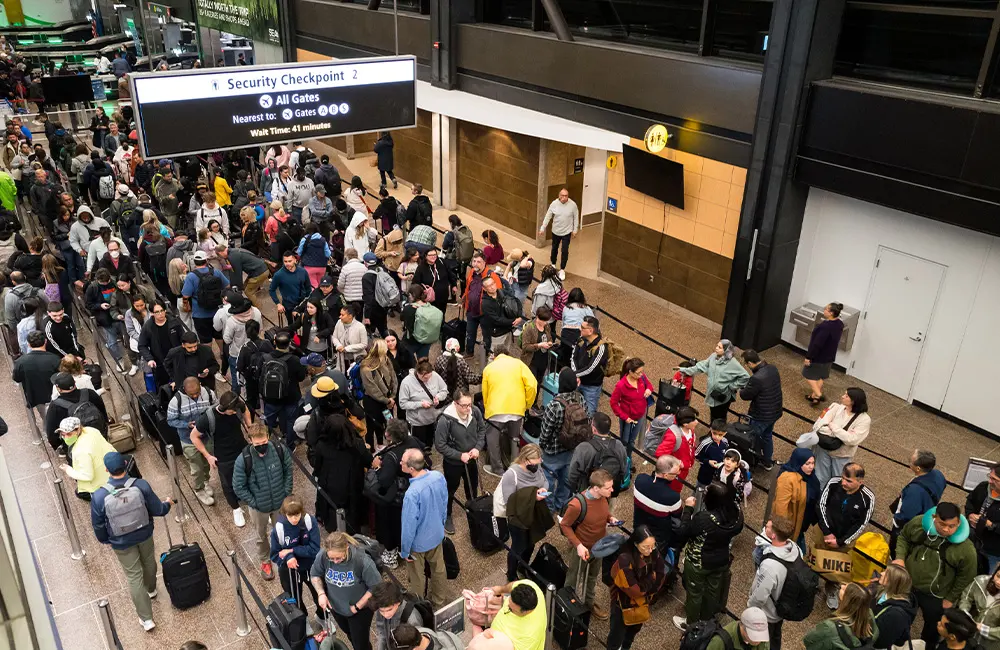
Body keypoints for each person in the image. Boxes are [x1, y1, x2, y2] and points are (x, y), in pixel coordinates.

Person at [91, 451, 172, 632]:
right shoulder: (141, 485)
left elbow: (98, 527)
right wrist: (167, 504)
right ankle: (151, 590)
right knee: (149, 561)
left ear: (106, 470)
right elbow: (159, 509)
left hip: (121, 542)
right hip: (144, 533)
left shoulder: (99, 496)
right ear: (126, 464)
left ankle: (147, 619)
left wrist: (108, 540)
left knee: (134, 576)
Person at [895, 502, 979, 646]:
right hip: (908, 585)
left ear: (959, 522)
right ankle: (899, 643)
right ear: (934, 518)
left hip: (936, 596)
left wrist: (951, 598)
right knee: (900, 617)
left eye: (952, 526)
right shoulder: (918, 524)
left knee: (933, 628)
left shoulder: (966, 549)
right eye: (942, 524)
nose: (946, 529)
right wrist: (900, 558)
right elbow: (904, 537)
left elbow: (966, 576)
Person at [672, 482, 743, 631]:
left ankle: (691, 625)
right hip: (721, 559)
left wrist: (688, 510)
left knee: (695, 594)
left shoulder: (704, 519)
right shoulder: (737, 514)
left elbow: (684, 531)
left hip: (699, 562)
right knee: (712, 592)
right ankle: (706, 622)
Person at [233, 423, 294, 580]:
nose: (261, 447)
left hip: (280, 503)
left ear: (268, 437)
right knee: (261, 536)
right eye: (257, 444)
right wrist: (254, 502)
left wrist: (286, 492)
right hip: (259, 507)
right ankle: (265, 562)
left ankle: (285, 555)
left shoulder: (279, 450)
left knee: (283, 532)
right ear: (250, 440)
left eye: (264, 443)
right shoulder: (244, 459)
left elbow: (288, 471)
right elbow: (238, 486)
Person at [817, 462, 876, 608]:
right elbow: (820, 505)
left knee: (836, 568)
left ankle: (831, 589)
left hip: (844, 540)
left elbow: (861, 525)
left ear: (860, 481)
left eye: (848, 481)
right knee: (816, 557)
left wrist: (841, 542)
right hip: (824, 533)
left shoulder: (868, 498)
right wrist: (827, 532)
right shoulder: (833, 483)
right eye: (843, 478)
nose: (843, 482)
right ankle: (812, 582)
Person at [560, 469, 617, 619]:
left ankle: (589, 603)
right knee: (573, 577)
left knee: (592, 576)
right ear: (596, 488)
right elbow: (565, 525)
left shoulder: (604, 497)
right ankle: (566, 606)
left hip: (599, 546)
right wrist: (578, 545)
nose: (612, 490)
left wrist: (610, 518)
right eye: (608, 487)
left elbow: (603, 513)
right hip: (582, 548)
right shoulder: (577, 505)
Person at [310, 532, 381, 650]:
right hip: (336, 608)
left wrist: (357, 607)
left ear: (347, 548)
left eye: (338, 558)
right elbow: (315, 574)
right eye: (331, 558)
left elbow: (375, 586)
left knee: (360, 643)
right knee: (350, 635)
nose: (335, 561)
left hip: (359, 612)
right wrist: (321, 593)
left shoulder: (362, 561)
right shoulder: (323, 556)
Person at [190, 391, 251, 526]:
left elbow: (245, 410)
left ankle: (252, 502)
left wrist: (249, 425)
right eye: (232, 411)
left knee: (250, 475)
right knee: (228, 483)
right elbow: (193, 436)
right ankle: (236, 509)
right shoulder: (207, 418)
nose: (235, 413)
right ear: (224, 408)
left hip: (242, 447)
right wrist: (208, 456)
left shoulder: (237, 406)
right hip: (223, 455)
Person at [399, 449, 449, 608]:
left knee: (417, 577)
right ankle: (439, 601)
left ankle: (419, 607)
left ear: (411, 469)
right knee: (438, 569)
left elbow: (408, 527)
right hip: (437, 534)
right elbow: (444, 503)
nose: (400, 463)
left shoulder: (412, 493)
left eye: (402, 462)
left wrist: (405, 551)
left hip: (418, 544)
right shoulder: (438, 477)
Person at [371, 418, 424, 566]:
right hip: (413, 490)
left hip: (395, 499)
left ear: (389, 435)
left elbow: (384, 481)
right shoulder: (413, 441)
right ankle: (406, 547)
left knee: (391, 526)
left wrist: (377, 467)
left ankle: (391, 556)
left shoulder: (391, 456)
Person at [312, 407, 372, 535]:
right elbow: (368, 461)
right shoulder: (356, 444)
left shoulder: (322, 445)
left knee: (331, 511)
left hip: (329, 485)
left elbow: (318, 466)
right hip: (352, 484)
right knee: (353, 512)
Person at [435, 388, 487, 535]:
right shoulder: (445, 420)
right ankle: (447, 515)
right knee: (450, 489)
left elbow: (482, 430)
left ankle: (474, 512)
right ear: (455, 403)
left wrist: (477, 448)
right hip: (453, 463)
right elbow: (440, 445)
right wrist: (459, 455)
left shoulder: (475, 412)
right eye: (464, 405)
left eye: (469, 404)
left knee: (473, 487)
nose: (468, 408)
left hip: (472, 460)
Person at [607, 525, 668, 650]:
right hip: (623, 606)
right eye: (646, 547)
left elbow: (661, 576)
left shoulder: (653, 553)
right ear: (636, 544)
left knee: (631, 635)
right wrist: (652, 579)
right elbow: (634, 591)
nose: (650, 550)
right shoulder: (625, 559)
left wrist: (647, 587)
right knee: (616, 636)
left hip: (641, 605)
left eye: (653, 546)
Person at [496, 444, 550, 581]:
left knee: (531, 543)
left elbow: (544, 481)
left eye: (539, 462)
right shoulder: (511, 474)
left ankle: (523, 566)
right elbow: (510, 500)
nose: (538, 466)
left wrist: (543, 489)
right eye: (535, 463)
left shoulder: (536, 468)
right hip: (518, 518)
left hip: (532, 514)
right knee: (518, 547)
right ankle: (512, 573)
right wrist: (533, 496)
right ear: (525, 460)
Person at [481, 345, 538, 474]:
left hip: (495, 410)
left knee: (492, 439)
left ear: (494, 356)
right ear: (508, 354)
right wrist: (527, 404)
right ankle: (514, 468)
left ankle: (497, 469)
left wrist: (487, 408)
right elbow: (532, 384)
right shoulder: (519, 364)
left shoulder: (488, 368)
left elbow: (485, 392)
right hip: (517, 409)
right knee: (515, 438)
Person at [747, 516, 802, 649]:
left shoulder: (770, 565)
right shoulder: (796, 549)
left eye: (768, 527)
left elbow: (760, 595)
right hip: (782, 606)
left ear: (773, 535)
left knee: (763, 641)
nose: (766, 526)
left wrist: (750, 608)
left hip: (768, 613)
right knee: (776, 635)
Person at [166, 376, 218, 505]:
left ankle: (205, 481)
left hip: (206, 437)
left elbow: (215, 408)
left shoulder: (209, 393)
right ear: (184, 389)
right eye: (191, 394)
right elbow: (171, 420)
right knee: (196, 467)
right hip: (188, 440)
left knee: (207, 462)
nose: (195, 396)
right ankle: (199, 489)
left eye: (197, 393)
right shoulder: (175, 401)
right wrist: (186, 424)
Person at [268, 495, 323, 617]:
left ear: (301, 512)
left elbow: (314, 549)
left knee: (319, 592)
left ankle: (322, 617)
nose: (294, 519)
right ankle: (303, 620)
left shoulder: (309, 521)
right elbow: (276, 554)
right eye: (290, 515)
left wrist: (290, 550)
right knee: (294, 598)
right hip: (289, 570)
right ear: (284, 514)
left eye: (297, 515)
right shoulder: (280, 528)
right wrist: (289, 557)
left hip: (311, 565)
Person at [810, 387, 872, 489]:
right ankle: (819, 499)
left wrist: (833, 427)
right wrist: (842, 434)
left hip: (842, 455)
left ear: (853, 401)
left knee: (838, 481)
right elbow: (819, 426)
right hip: (824, 449)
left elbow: (852, 440)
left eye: (846, 395)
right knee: (820, 478)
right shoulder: (836, 407)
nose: (842, 396)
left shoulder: (864, 420)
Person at [676, 339, 750, 423]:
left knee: (720, 417)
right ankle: (713, 431)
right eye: (717, 346)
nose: (716, 348)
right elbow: (700, 366)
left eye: (719, 347)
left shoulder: (733, 363)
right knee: (713, 414)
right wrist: (685, 370)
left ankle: (718, 432)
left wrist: (732, 386)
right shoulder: (713, 356)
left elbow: (745, 376)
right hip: (713, 393)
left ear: (726, 350)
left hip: (723, 396)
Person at [892, 449, 947, 558]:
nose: (909, 462)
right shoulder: (938, 474)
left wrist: (896, 521)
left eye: (911, 461)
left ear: (918, 468)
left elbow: (906, 516)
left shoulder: (915, 491)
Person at [260, 330, 308, 448]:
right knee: (291, 421)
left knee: (268, 421)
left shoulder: (265, 358)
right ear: (289, 344)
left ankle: (262, 441)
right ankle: (290, 445)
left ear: (274, 342)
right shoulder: (294, 360)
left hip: (271, 397)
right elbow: (301, 377)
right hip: (290, 397)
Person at [739, 349, 783, 470]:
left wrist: (742, 389)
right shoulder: (773, 368)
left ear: (750, 363)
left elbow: (745, 395)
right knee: (767, 436)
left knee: (754, 438)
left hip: (761, 415)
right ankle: (767, 461)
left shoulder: (756, 378)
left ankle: (753, 460)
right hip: (774, 412)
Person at [767, 447, 819, 547]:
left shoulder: (810, 476)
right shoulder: (787, 478)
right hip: (791, 526)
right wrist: (782, 532)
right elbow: (780, 507)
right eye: (807, 464)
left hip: (800, 523)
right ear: (798, 463)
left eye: (812, 463)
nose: (811, 467)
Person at [568, 412, 628, 497]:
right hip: (610, 490)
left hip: (589, 493)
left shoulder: (584, 448)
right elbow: (624, 468)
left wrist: (575, 489)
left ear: (594, 429)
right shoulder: (618, 445)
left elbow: (572, 475)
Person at [45, 371, 109, 450]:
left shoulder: (55, 406)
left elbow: (51, 434)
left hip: (76, 448)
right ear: (74, 382)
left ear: (58, 389)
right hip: (99, 438)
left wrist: (62, 446)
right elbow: (103, 414)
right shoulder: (90, 393)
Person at [803, 582, 877, 650]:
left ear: (846, 600)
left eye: (844, 589)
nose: (841, 586)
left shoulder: (830, 627)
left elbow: (809, 642)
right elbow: (875, 635)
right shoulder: (869, 614)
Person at [57, 416, 117, 500]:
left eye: (69, 434)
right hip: (113, 472)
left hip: (100, 486)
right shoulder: (90, 430)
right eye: (63, 435)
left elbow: (87, 476)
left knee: (80, 493)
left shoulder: (80, 451)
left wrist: (68, 470)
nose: (66, 437)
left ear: (77, 430)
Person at [633, 454, 683, 551]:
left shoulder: (639, 479)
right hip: (658, 536)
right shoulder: (673, 497)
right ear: (666, 475)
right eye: (676, 474)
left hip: (638, 529)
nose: (678, 474)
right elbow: (677, 515)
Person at [398, 359, 449, 450]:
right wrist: (420, 404)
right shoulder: (406, 382)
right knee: (417, 447)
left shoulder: (435, 375)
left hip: (432, 419)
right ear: (418, 373)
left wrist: (438, 397)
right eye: (425, 378)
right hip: (417, 422)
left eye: (430, 377)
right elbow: (402, 404)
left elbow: (444, 390)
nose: (428, 380)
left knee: (429, 444)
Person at [482, 580, 547, 650]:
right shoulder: (531, 587)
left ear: (525, 612)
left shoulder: (530, 637)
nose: (507, 605)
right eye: (509, 600)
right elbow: (513, 585)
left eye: (511, 609)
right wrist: (500, 589)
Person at [181, 251, 230, 344]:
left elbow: (186, 295)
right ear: (206, 261)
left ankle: (209, 357)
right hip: (217, 311)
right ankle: (223, 355)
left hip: (200, 314)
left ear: (194, 262)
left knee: (205, 340)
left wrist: (185, 306)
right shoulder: (216, 272)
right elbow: (227, 286)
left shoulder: (191, 276)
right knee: (219, 336)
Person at [12, 330, 61, 421]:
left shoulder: (21, 362)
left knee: (47, 421)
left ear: (29, 344)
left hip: (37, 398)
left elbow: (16, 378)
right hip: (57, 395)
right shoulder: (55, 359)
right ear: (45, 341)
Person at [611, 357, 654, 457]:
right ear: (630, 372)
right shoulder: (621, 385)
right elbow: (613, 403)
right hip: (628, 418)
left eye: (642, 372)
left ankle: (628, 460)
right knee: (625, 442)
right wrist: (624, 417)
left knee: (632, 441)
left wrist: (649, 389)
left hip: (640, 415)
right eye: (638, 373)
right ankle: (623, 460)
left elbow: (649, 385)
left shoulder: (642, 378)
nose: (641, 374)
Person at [804, 302, 845, 404]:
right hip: (830, 356)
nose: (824, 310)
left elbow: (817, 344)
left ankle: (818, 394)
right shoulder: (840, 324)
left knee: (807, 374)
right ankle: (814, 397)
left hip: (819, 357)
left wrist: (809, 357)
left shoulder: (825, 327)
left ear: (831, 313)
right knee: (821, 376)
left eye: (826, 309)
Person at [137, 299, 185, 389]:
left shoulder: (174, 322)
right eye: (157, 312)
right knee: (164, 388)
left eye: (162, 311)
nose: (160, 314)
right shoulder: (148, 327)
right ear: (152, 313)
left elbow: (183, 338)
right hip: (160, 364)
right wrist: (149, 359)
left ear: (165, 310)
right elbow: (142, 345)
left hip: (177, 361)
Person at [462, 252, 502, 356]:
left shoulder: (492, 276)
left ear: (484, 263)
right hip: (471, 310)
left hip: (485, 314)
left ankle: (486, 354)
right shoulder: (471, 272)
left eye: (478, 262)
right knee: (470, 333)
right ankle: (469, 352)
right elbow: (468, 287)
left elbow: (499, 295)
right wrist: (464, 298)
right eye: (474, 261)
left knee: (486, 336)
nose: (475, 264)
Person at [871, 564, 917, 650]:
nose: (881, 573)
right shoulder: (883, 592)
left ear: (894, 582)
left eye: (887, 574)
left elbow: (881, 643)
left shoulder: (896, 615)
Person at [371, 583, 427, 650]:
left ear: (398, 602)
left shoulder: (412, 619)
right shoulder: (381, 606)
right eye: (382, 611)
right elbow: (382, 632)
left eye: (389, 610)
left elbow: (415, 646)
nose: (386, 615)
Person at [966, 463, 1000, 573]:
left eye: (995, 479)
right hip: (970, 538)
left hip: (991, 551)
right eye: (990, 477)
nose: (990, 481)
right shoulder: (983, 487)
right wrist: (970, 514)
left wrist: (992, 525)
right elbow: (970, 501)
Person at [571, 315, 608, 415]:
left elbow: (591, 368)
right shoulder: (581, 339)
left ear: (591, 331)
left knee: (590, 413)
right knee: (570, 408)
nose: (580, 329)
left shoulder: (601, 348)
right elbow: (573, 357)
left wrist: (575, 375)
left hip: (592, 387)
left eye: (583, 327)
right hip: (577, 381)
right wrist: (576, 375)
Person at [653, 405, 699, 485]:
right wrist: (678, 463)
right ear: (685, 424)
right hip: (674, 473)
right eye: (694, 420)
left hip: (683, 469)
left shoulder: (690, 429)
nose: (697, 422)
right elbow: (660, 454)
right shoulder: (673, 436)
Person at [539, 188, 580, 270]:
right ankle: (553, 264)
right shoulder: (554, 204)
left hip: (567, 232)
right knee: (554, 248)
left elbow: (576, 217)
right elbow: (548, 216)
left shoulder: (573, 205)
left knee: (564, 251)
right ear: (559, 196)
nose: (564, 197)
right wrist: (542, 228)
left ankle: (562, 269)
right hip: (556, 231)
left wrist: (575, 230)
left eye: (566, 196)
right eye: (563, 195)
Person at [519, 305, 555, 393]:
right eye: (544, 321)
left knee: (538, 383)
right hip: (531, 361)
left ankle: (534, 403)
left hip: (543, 360)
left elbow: (549, 337)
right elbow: (525, 346)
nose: (546, 323)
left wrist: (550, 342)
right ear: (537, 317)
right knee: (531, 384)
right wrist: (539, 345)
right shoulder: (529, 328)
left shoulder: (546, 326)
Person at [482, 276, 522, 351]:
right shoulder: (485, 304)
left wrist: (519, 315)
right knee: (495, 356)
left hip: (508, 330)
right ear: (484, 289)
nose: (492, 287)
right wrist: (513, 321)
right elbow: (496, 320)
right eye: (489, 286)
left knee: (506, 352)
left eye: (493, 284)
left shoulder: (502, 292)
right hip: (497, 334)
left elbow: (517, 301)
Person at [411, 247, 453, 317]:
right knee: (430, 316)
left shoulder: (442, 262)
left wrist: (454, 285)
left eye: (435, 254)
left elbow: (450, 273)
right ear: (425, 256)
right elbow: (415, 283)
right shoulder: (421, 268)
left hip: (443, 296)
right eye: (430, 255)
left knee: (441, 315)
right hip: (430, 300)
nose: (433, 257)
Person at [269, 251, 312, 319]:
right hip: (289, 306)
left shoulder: (303, 271)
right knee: (292, 326)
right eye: (285, 261)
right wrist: (278, 304)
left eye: (289, 261)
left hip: (303, 304)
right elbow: (271, 290)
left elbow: (308, 287)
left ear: (295, 260)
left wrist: (309, 301)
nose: (287, 264)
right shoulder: (278, 275)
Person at [706, 607, 771, 650]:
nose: (758, 641)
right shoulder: (719, 642)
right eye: (754, 635)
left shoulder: (762, 640)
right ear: (742, 626)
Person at [332, 304, 368, 371]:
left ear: (350, 316)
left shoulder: (360, 327)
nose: (340, 317)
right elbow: (334, 337)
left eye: (342, 315)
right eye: (340, 314)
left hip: (356, 359)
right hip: (342, 358)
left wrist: (347, 348)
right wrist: (338, 345)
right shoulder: (339, 323)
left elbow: (364, 344)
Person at [298, 223, 333, 288]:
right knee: (321, 285)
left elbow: (299, 252)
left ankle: (315, 297)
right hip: (322, 266)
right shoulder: (323, 240)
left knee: (313, 286)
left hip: (308, 266)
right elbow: (328, 254)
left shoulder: (305, 239)